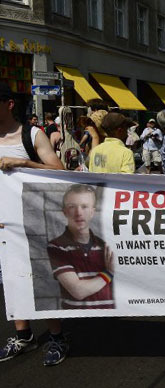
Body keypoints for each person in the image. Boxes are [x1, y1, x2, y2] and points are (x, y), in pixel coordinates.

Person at [0, 83, 68, 366]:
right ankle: (23, 334)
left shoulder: (32, 134)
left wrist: (23, 163)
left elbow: (60, 171)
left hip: (33, 219)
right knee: (12, 280)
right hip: (4, 225)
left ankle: (56, 337)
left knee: (43, 277)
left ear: (9, 104)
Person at [48, 184, 114, 310]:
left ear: (92, 212)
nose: (79, 213)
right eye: (72, 207)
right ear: (65, 212)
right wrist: (109, 273)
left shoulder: (105, 245)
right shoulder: (57, 247)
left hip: (110, 317)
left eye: (84, 206)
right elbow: (78, 291)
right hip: (75, 318)